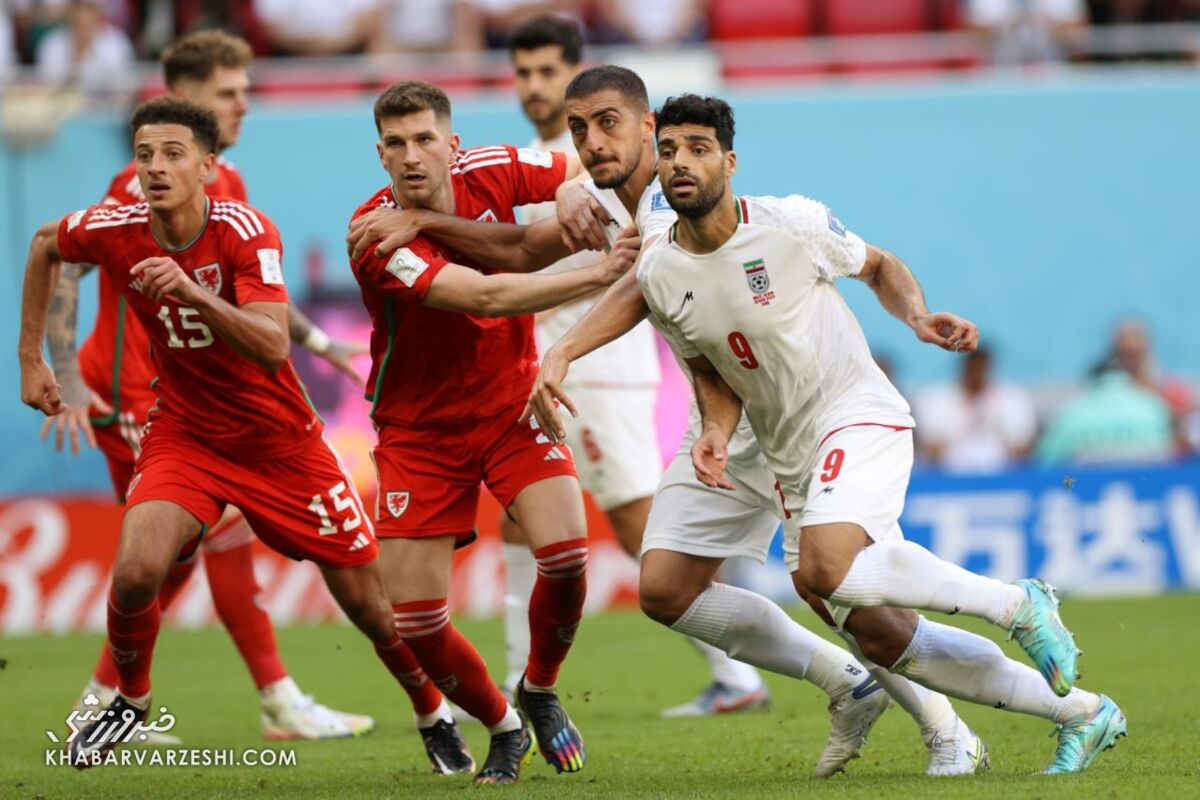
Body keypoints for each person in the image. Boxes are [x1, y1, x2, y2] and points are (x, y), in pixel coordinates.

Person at [350, 65, 957, 778]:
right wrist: (579, 278)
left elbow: (576, 238)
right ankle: (522, 710)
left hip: (795, 416)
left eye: (609, 125)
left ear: (651, 130)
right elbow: (510, 266)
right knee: (662, 585)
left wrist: (574, 254)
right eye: (579, 129)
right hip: (701, 418)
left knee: (830, 584)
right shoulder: (399, 225)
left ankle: (965, 699)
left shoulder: (675, 206)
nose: (590, 143)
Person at [542, 92, 1125, 775]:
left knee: (825, 570)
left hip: (852, 411)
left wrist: (916, 316)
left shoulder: (791, 223)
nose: (679, 164)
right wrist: (717, 432)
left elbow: (877, 264)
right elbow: (711, 365)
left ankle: (1018, 604)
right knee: (855, 624)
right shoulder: (661, 266)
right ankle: (1078, 713)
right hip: (775, 437)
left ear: (728, 161)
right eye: (670, 152)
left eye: (696, 150)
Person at [17, 97, 434, 770]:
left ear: (208, 166)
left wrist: (191, 292)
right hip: (185, 434)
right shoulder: (119, 223)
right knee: (136, 572)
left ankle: (428, 707)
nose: (154, 168)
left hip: (280, 444)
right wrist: (35, 359)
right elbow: (43, 243)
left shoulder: (244, 225)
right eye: (144, 154)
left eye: (171, 154)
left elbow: (271, 344)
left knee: (369, 605)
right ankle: (130, 698)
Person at [347, 80, 634, 783]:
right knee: (416, 623)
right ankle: (502, 724)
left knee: (567, 555)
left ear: (452, 144)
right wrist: (602, 272)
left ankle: (538, 688)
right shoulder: (372, 233)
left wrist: (568, 188)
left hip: (510, 403)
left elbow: (577, 167)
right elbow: (488, 288)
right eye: (396, 144)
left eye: (424, 140)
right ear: (379, 155)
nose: (412, 156)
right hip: (419, 430)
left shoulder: (493, 166)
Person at [913, 346, 1037, 473]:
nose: (977, 372)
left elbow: (1022, 450)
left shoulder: (1014, 398)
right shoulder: (935, 399)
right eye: (972, 366)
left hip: (1002, 478)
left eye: (981, 367)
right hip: (949, 478)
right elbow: (931, 451)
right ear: (963, 367)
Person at [35, 0, 134, 98]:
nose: (81, 15)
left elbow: (122, 89)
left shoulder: (117, 44)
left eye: (88, 8)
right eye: (77, 6)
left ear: (99, 13)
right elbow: (47, 89)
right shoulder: (51, 44)